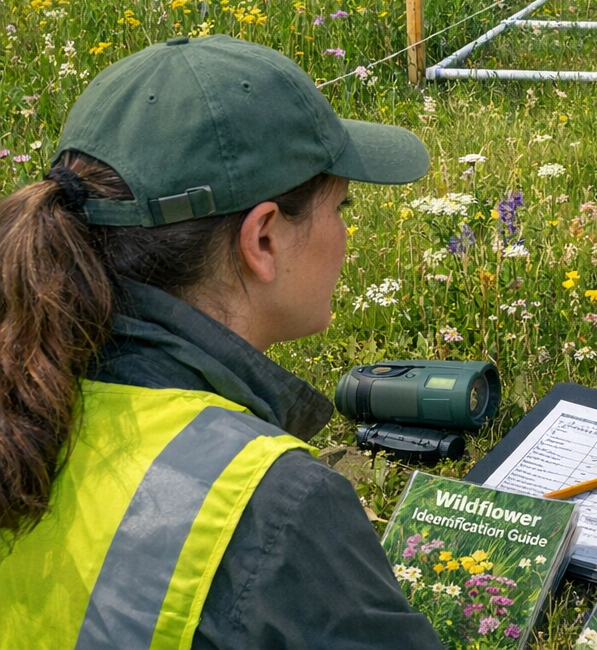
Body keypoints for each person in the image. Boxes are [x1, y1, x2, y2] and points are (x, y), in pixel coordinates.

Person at [0, 35, 446, 649]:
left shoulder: (26, 383)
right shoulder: (274, 506)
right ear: (262, 238)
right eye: (343, 207)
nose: (345, 234)